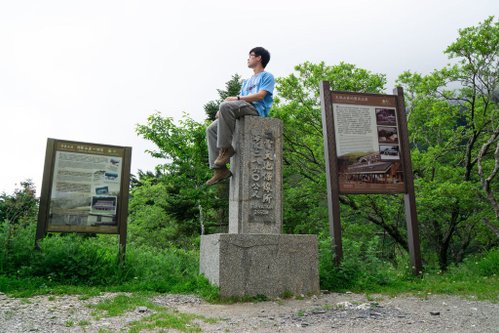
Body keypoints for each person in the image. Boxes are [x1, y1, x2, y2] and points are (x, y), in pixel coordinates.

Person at [205, 47, 275, 185]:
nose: (248, 58)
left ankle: (226, 149)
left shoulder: (267, 76)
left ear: (259, 58)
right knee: (211, 129)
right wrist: (223, 111)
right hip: (242, 108)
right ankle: (219, 170)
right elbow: (238, 103)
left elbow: (260, 96)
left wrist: (233, 100)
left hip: (256, 109)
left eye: (251, 55)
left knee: (225, 105)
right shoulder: (246, 82)